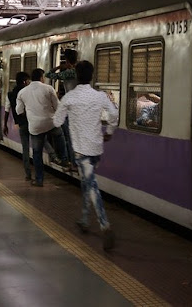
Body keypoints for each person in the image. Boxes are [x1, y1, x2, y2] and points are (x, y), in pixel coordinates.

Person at [53, 60, 119, 251]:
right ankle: (83, 219)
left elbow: (57, 122)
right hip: (97, 148)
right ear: (92, 76)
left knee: (91, 186)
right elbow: (113, 114)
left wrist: (63, 114)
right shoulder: (99, 96)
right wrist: (110, 131)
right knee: (86, 183)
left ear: (75, 76)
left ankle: (104, 224)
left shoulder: (69, 98)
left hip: (82, 150)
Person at [16, 68, 69, 187]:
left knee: (37, 153)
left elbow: (19, 111)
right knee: (60, 135)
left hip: (35, 126)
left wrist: (29, 112)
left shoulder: (22, 92)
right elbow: (57, 106)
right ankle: (64, 159)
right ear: (41, 77)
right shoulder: (48, 88)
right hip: (50, 122)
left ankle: (39, 180)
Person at [45, 49, 78, 168]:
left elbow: (48, 74)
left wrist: (59, 66)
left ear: (67, 60)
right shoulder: (80, 70)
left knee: (68, 136)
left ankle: (72, 162)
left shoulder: (68, 73)